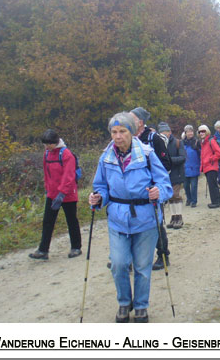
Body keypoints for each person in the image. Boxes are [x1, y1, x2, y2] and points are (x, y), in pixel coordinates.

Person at [89, 112, 172, 323]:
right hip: (118, 219)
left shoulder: (146, 154)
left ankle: (142, 305)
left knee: (143, 267)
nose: (118, 136)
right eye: (114, 132)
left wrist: (158, 192)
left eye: (122, 131)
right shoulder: (106, 157)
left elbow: (165, 184)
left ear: (131, 132)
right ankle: (124, 302)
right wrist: (98, 198)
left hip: (146, 219)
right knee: (118, 264)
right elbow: (101, 186)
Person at [130, 107, 172, 272]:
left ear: (140, 122)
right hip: (133, 191)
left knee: (155, 223)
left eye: (131, 118)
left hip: (152, 190)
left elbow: (166, 163)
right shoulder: (128, 139)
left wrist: (155, 182)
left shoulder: (154, 138)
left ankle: (163, 255)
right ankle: (129, 259)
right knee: (131, 223)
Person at [29, 129, 82, 260]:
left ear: (56, 142)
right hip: (52, 194)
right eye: (45, 144)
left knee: (71, 220)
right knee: (47, 221)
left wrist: (62, 193)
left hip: (68, 195)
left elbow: (68, 176)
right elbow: (47, 174)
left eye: (49, 144)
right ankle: (43, 250)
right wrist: (48, 189)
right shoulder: (47, 154)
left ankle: (76, 247)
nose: (47, 147)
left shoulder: (66, 154)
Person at [158, 122, 186, 229]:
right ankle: (174, 217)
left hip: (176, 173)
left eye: (165, 133)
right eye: (162, 133)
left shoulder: (178, 143)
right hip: (166, 175)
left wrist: (168, 161)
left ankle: (179, 217)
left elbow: (183, 157)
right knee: (170, 196)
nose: (164, 135)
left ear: (170, 132)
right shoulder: (160, 144)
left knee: (175, 195)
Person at [198, 125, 220, 208]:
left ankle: (216, 202)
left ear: (207, 131)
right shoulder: (203, 142)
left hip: (211, 167)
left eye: (203, 131)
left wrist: (211, 159)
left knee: (213, 185)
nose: (201, 133)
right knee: (212, 185)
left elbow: (219, 153)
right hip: (207, 167)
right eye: (200, 131)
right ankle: (216, 201)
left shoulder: (211, 141)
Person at [182, 125, 201, 208]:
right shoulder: (182, 143)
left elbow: (201, 153)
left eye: (191, 131)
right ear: (185, 133)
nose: (190, 133)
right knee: (186, 186)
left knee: (193, 186)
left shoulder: (197, 142)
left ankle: (194, 201)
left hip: (194, 167)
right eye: (188, 131)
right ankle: (188, 199)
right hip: (185, 168)